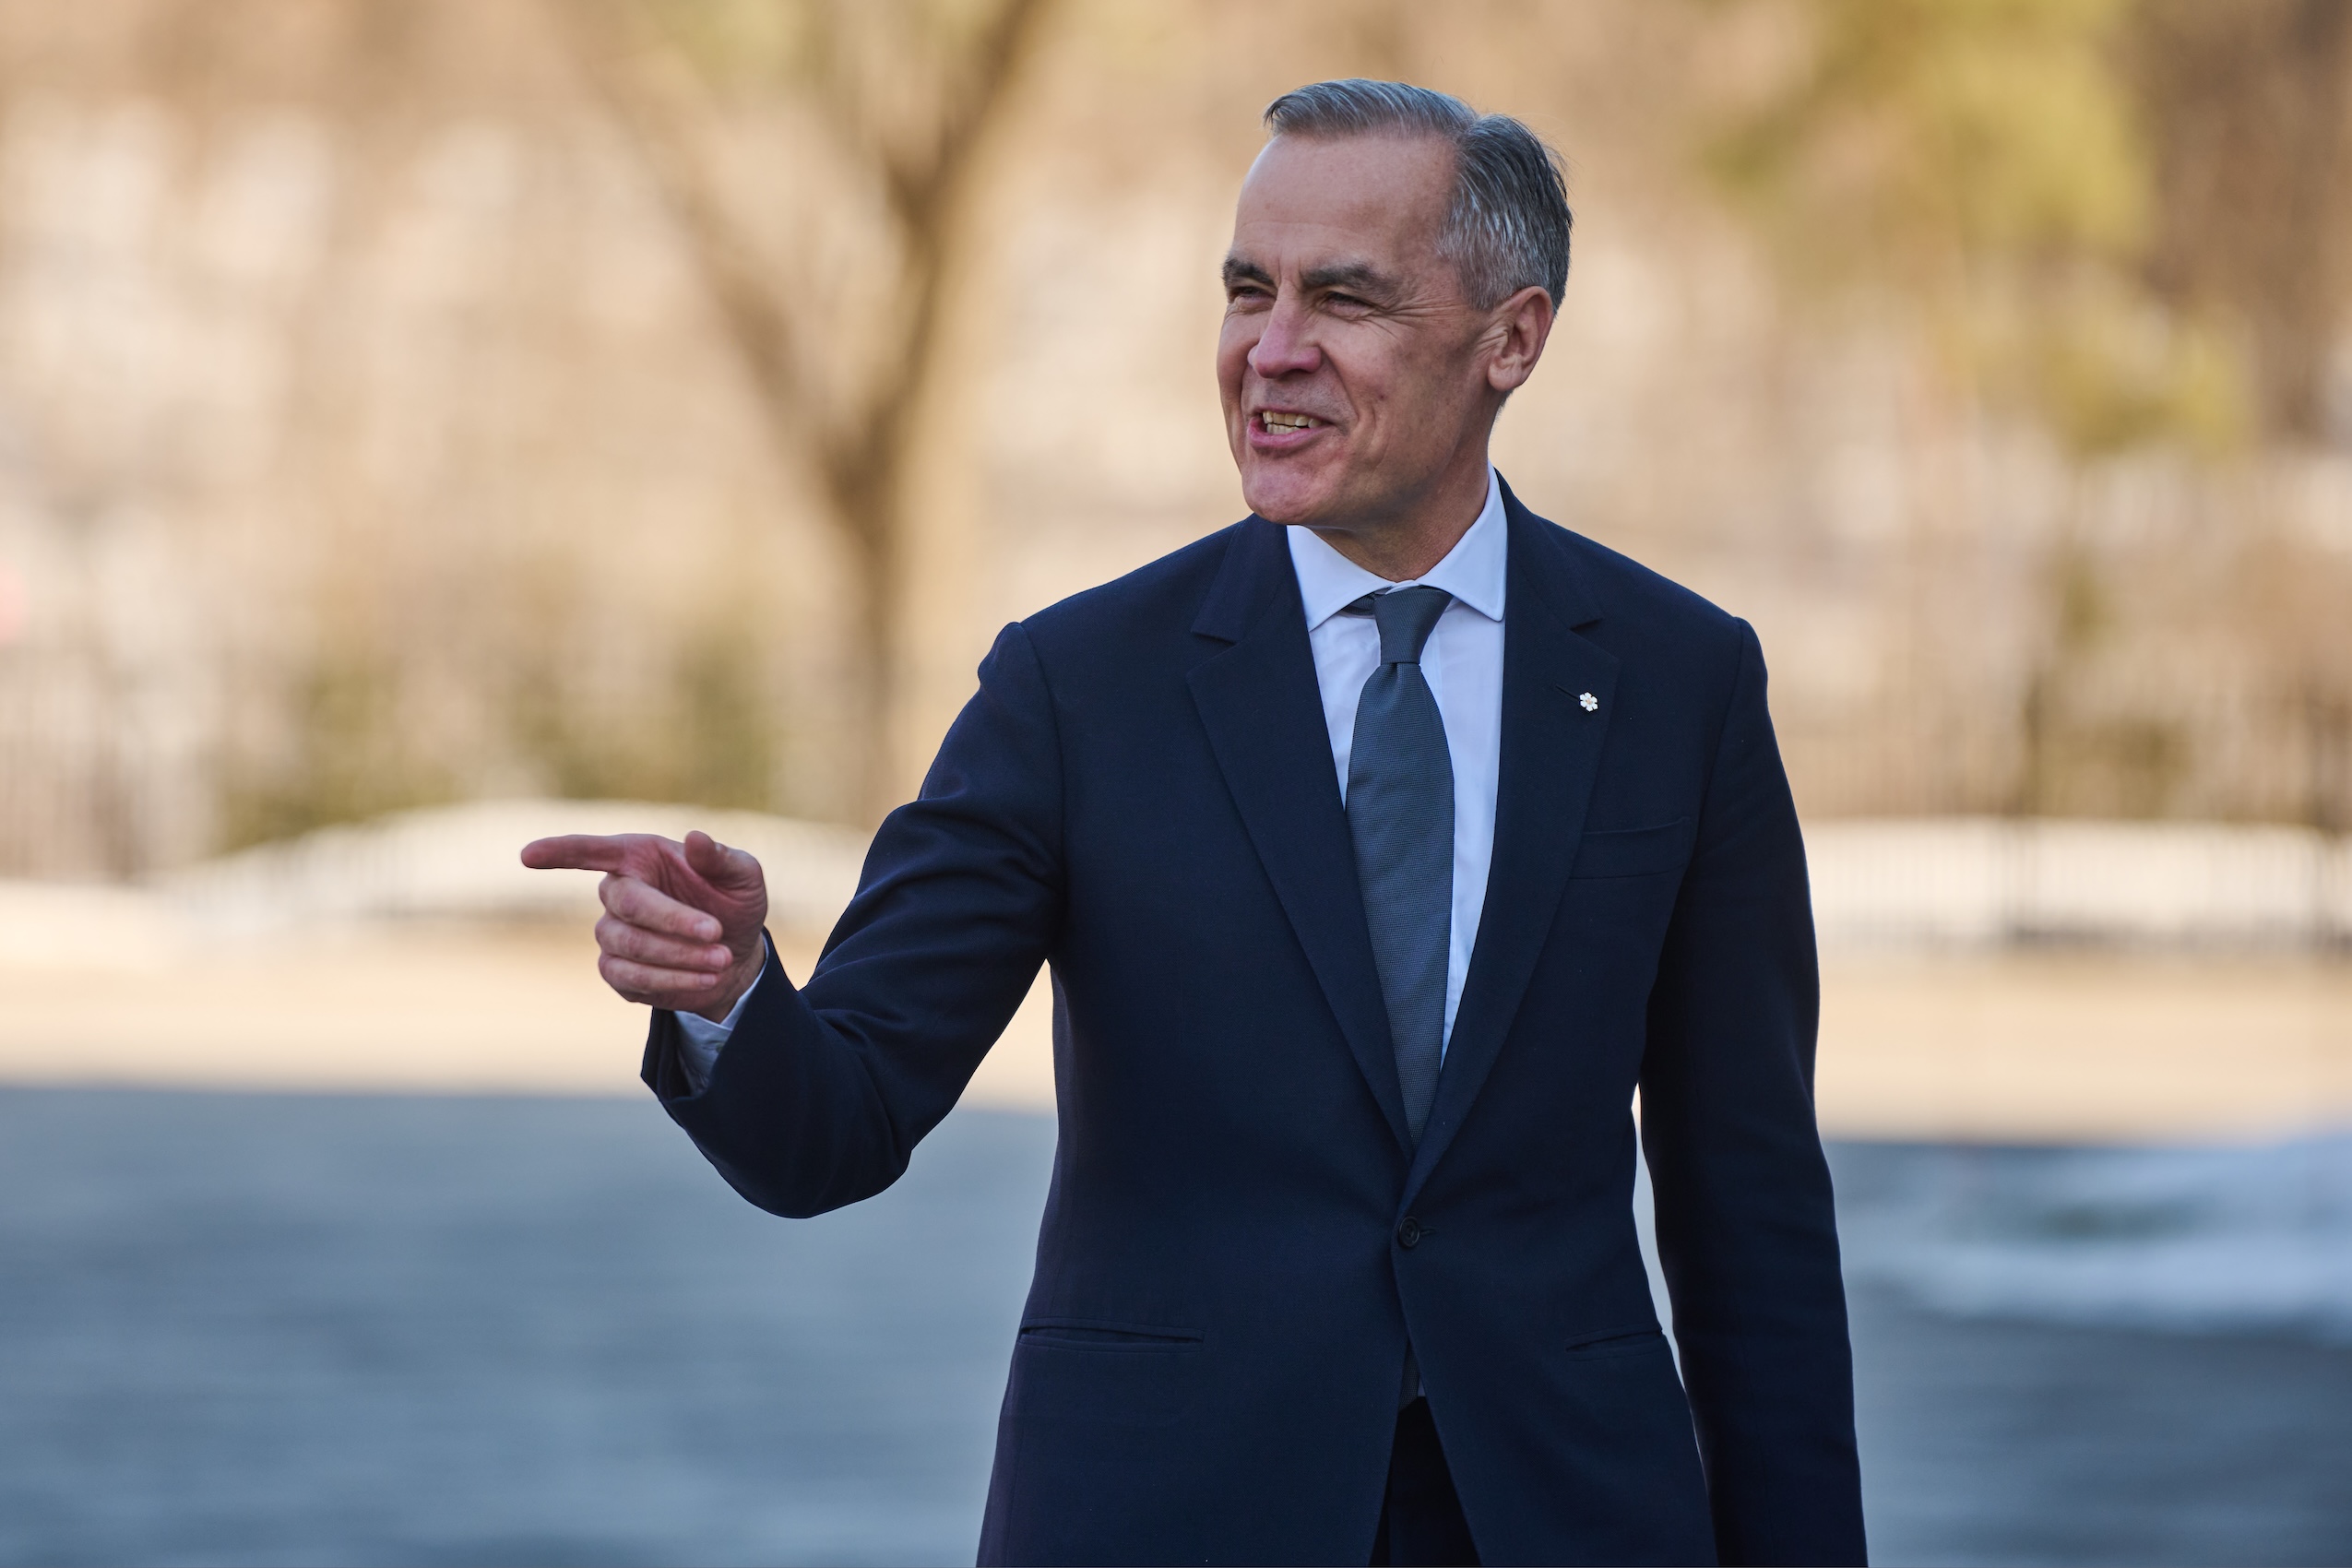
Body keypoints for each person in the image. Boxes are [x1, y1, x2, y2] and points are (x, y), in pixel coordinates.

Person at [525, 78, 1865, 1568]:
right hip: (1167, 1514)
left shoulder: (1679, 682)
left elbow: (1750, 1215)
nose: (1269, 351)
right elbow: (832, 1125)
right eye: (1247, 289)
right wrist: (728, 994)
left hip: (1564, 1514)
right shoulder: (1076, 686)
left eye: (1342, 298)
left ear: (1513, 338)